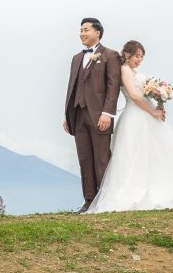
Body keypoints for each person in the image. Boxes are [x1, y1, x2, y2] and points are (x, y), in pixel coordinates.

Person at [86, 40, 173, 213]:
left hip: (145, 115)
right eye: (137, 56)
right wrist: (152, 111)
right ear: (127, 55)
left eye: (142, 56)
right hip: (134, 117)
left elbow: (144, 90)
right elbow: (133, 95)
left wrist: (159, 99)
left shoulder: (134, 70)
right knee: (134, 156)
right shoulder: (124, 70)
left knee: (155, 154)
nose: (139, 60)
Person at [63, 18, 121, 214]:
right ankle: (88, 201)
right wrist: (67, 115)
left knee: (102, 159)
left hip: (100, 115)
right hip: (78, 114)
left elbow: (113, 87)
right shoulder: (76, 58)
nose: (82, 33)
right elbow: (72, 86)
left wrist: (107, 113)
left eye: (86, 30)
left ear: (97, 33)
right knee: (84, 159)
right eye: (80, 30)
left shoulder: (110, 55)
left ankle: (106, 201)